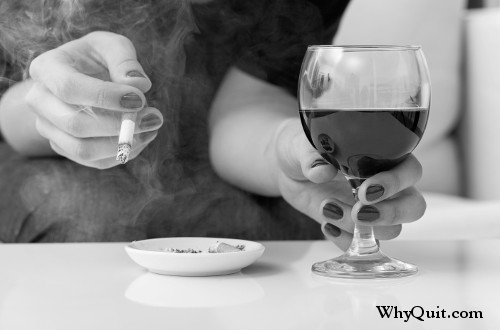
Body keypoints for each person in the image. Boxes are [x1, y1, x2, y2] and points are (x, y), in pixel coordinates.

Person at [0, 0, 425, 249]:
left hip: (233, 165)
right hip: (39, 156)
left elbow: (251, 101)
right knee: (90, 217)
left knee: (286, 223)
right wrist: (53, 103)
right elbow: (10, 110)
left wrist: (284, 148)